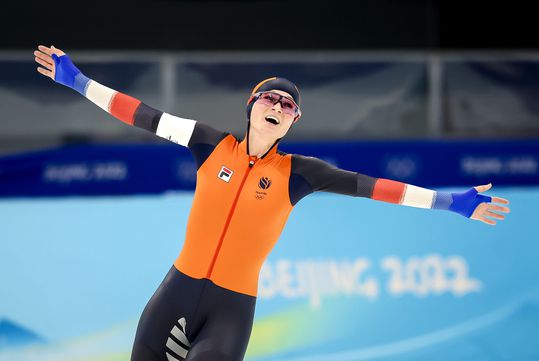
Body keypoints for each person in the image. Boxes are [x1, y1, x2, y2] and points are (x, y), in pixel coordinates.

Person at [33, 45, 510, 361]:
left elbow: (379, 188)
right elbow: (142, 114)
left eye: (289, 106)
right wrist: (78, 82)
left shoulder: (300, 173)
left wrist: (451, 202)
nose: (279, 107)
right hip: (174, 293)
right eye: (272, 99)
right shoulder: (208, 144)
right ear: (251, 105)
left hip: (230, 310)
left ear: (293, 122)